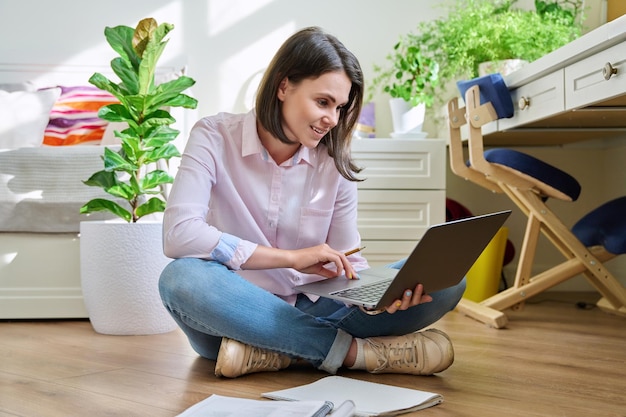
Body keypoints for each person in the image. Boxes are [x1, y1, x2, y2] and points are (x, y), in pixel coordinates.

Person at [158, 26, 466, 379]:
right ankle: (354, 353)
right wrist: (292, 259)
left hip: (314, 307)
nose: (332, 119)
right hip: (234, 311)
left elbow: (348, 260)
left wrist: (377, 298)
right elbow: (179, 235)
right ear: (284, 86)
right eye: (323, 102)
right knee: (181, 278)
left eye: (339, 107)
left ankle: (280, 352)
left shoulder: (333, 161)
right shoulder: (213, 136)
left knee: (446, 282)